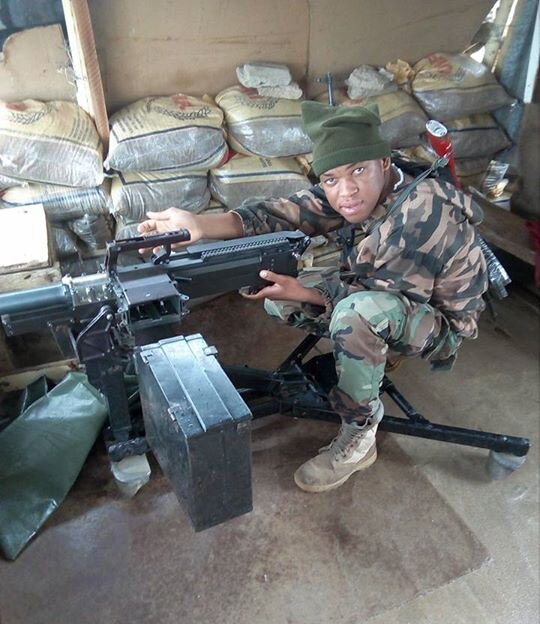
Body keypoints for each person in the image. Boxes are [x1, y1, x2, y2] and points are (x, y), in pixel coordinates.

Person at [137, 102, 488, 493]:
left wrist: (307, 292)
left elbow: (380, 295)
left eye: (358, 171)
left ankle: (360, 433)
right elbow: (287, 213)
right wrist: (199, 225)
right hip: (385, 292)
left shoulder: (421, 213)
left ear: (384, 163)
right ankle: (369, 355)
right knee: (280, 298)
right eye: (331, 179)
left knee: (356, 316)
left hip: (438, 322)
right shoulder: (361, 190)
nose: (346, 191)